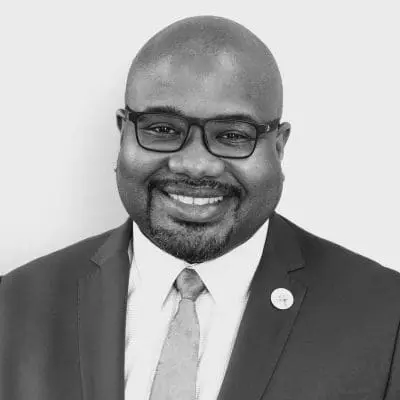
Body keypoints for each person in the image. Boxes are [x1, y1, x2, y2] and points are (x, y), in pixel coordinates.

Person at [0, 15, 399, 400]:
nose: (194, 164)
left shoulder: (385, 316)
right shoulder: (15, 304)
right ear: (123, 135)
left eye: (232, 135)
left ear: (278, 148)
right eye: (162, 129)